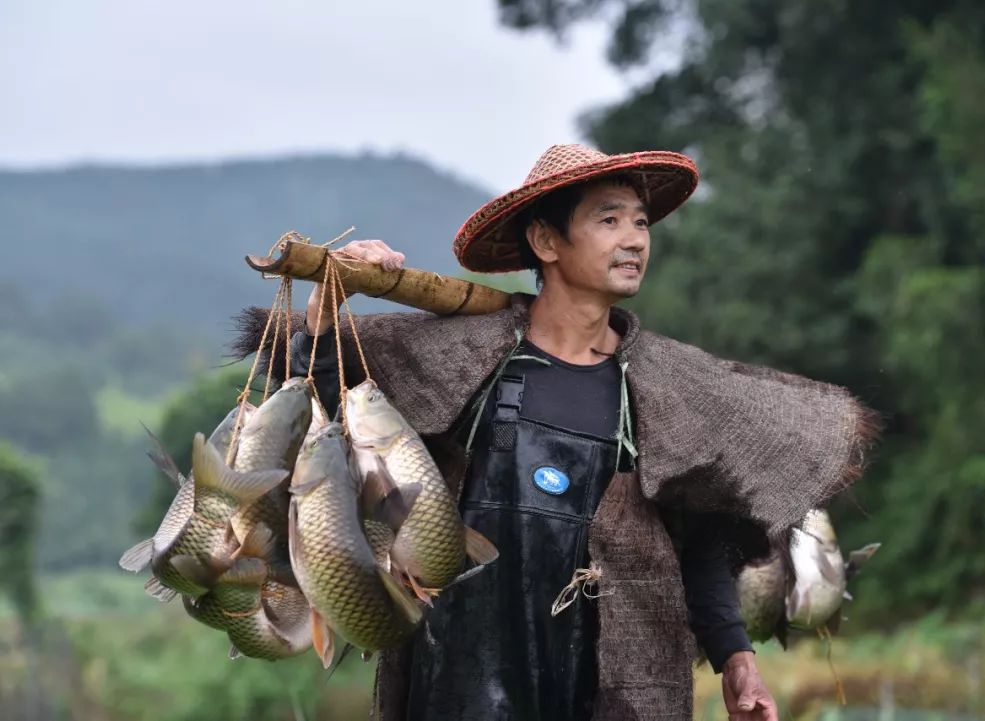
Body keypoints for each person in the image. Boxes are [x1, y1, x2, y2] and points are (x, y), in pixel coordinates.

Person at [234, 144, 878, 720]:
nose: (634, 239)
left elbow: (702, 543)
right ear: (546, 241)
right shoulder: (464, 361)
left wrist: (738, 661)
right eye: (608, 219)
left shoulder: (663, 388)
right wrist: (328, 300)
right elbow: (321, 387)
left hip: (614, 678)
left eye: (640, 221)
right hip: (462, 668)